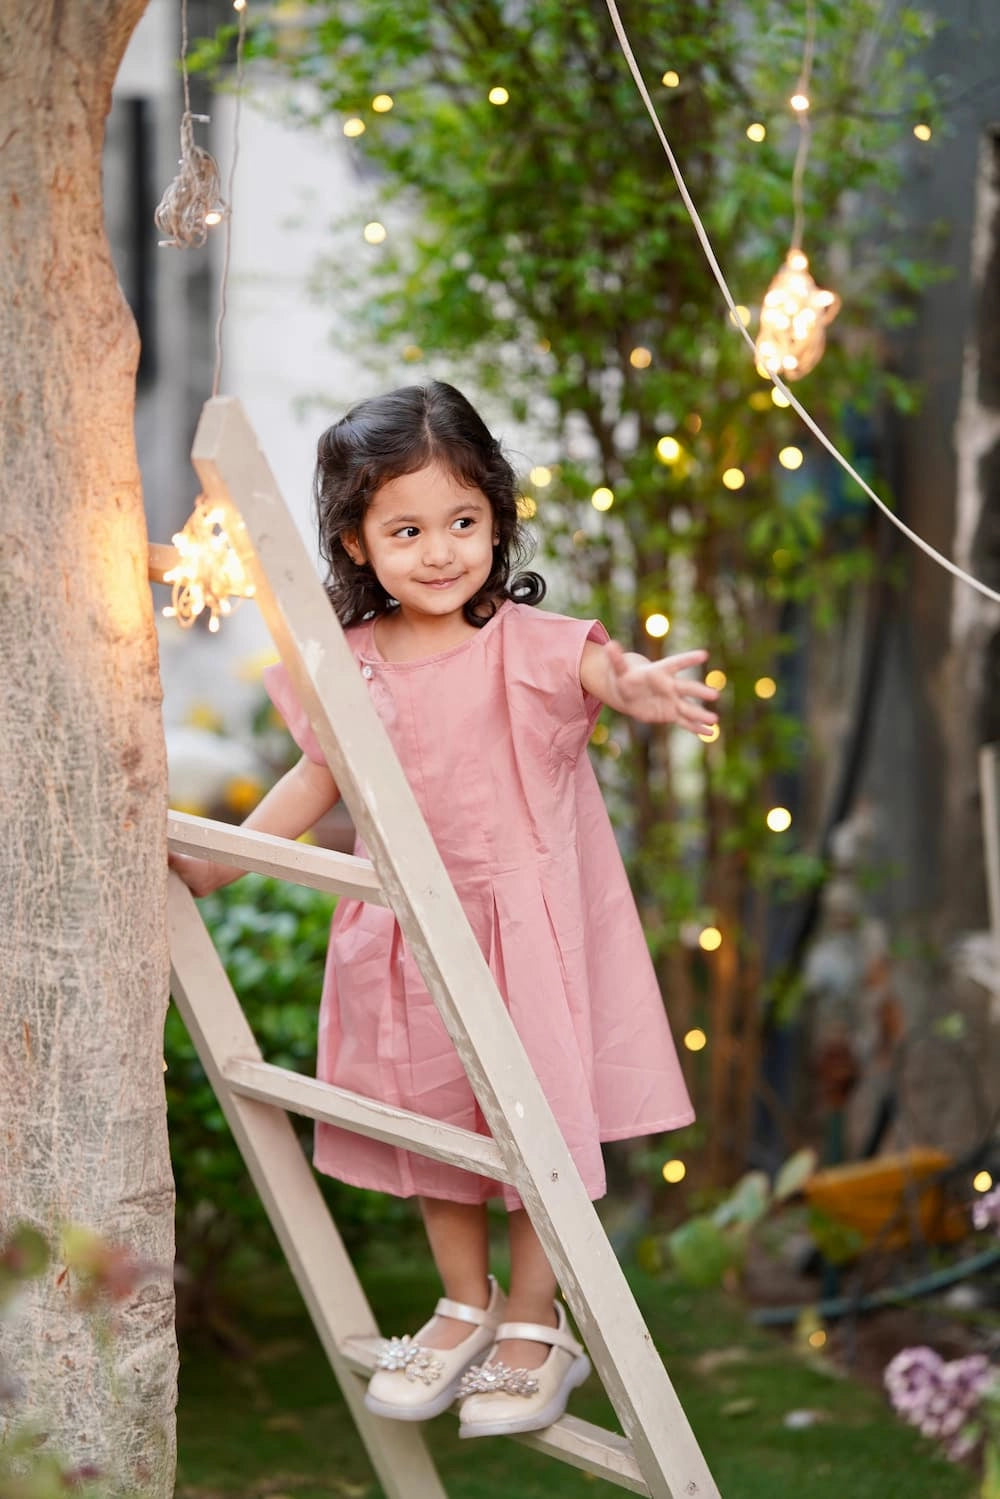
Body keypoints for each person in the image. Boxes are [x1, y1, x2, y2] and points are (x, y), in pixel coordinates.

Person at [170, 380, 719, 1438]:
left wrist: (639, 683)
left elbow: (601, 667)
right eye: (407, 528)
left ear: (498, 520)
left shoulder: (526, 644)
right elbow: (316, 775)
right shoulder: (352, 663)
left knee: (533, 1126)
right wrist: (219, 864)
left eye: (463, 521)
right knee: (436, 1127)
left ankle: (532, 1312)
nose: (439, 550)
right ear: (356, 540)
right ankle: (462, 1300)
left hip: (525, 934)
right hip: (408, 935)